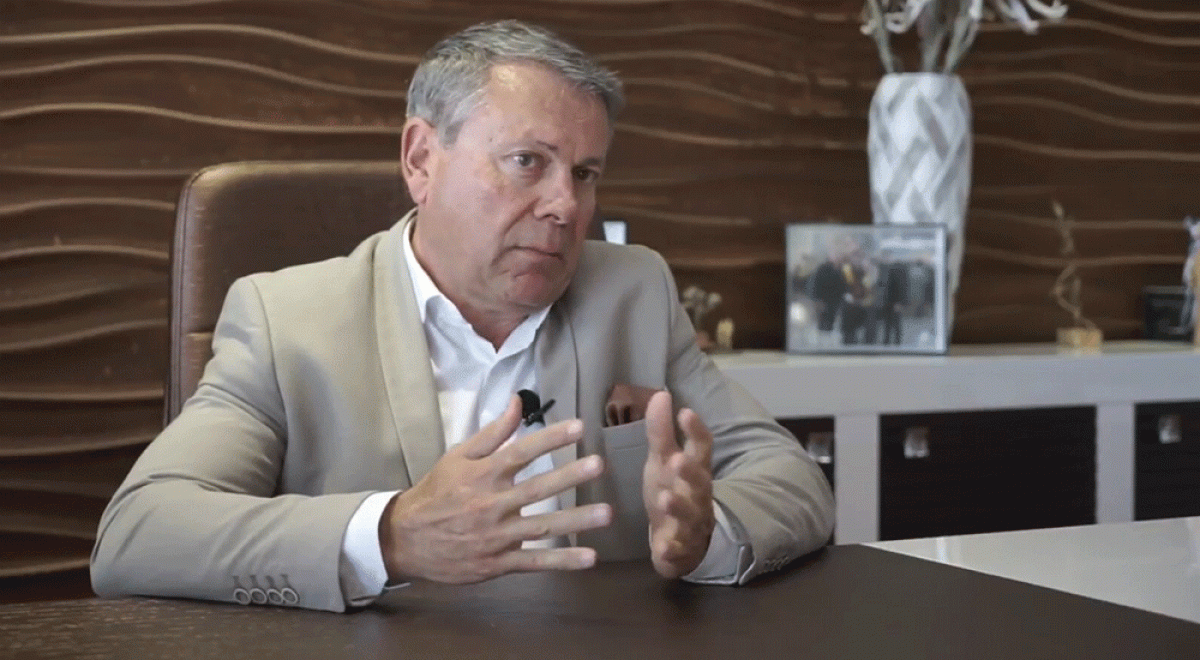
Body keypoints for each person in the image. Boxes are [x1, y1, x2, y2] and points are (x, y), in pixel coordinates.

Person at [90, 20, 834, 613]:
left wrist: (705, 535)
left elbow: (792, 480)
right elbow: (139, 534)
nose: (566, 206)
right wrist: (391, 536)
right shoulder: (286, 321)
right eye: (527, 162)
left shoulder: (633, 291)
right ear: (421, 159)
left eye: (585, 173)